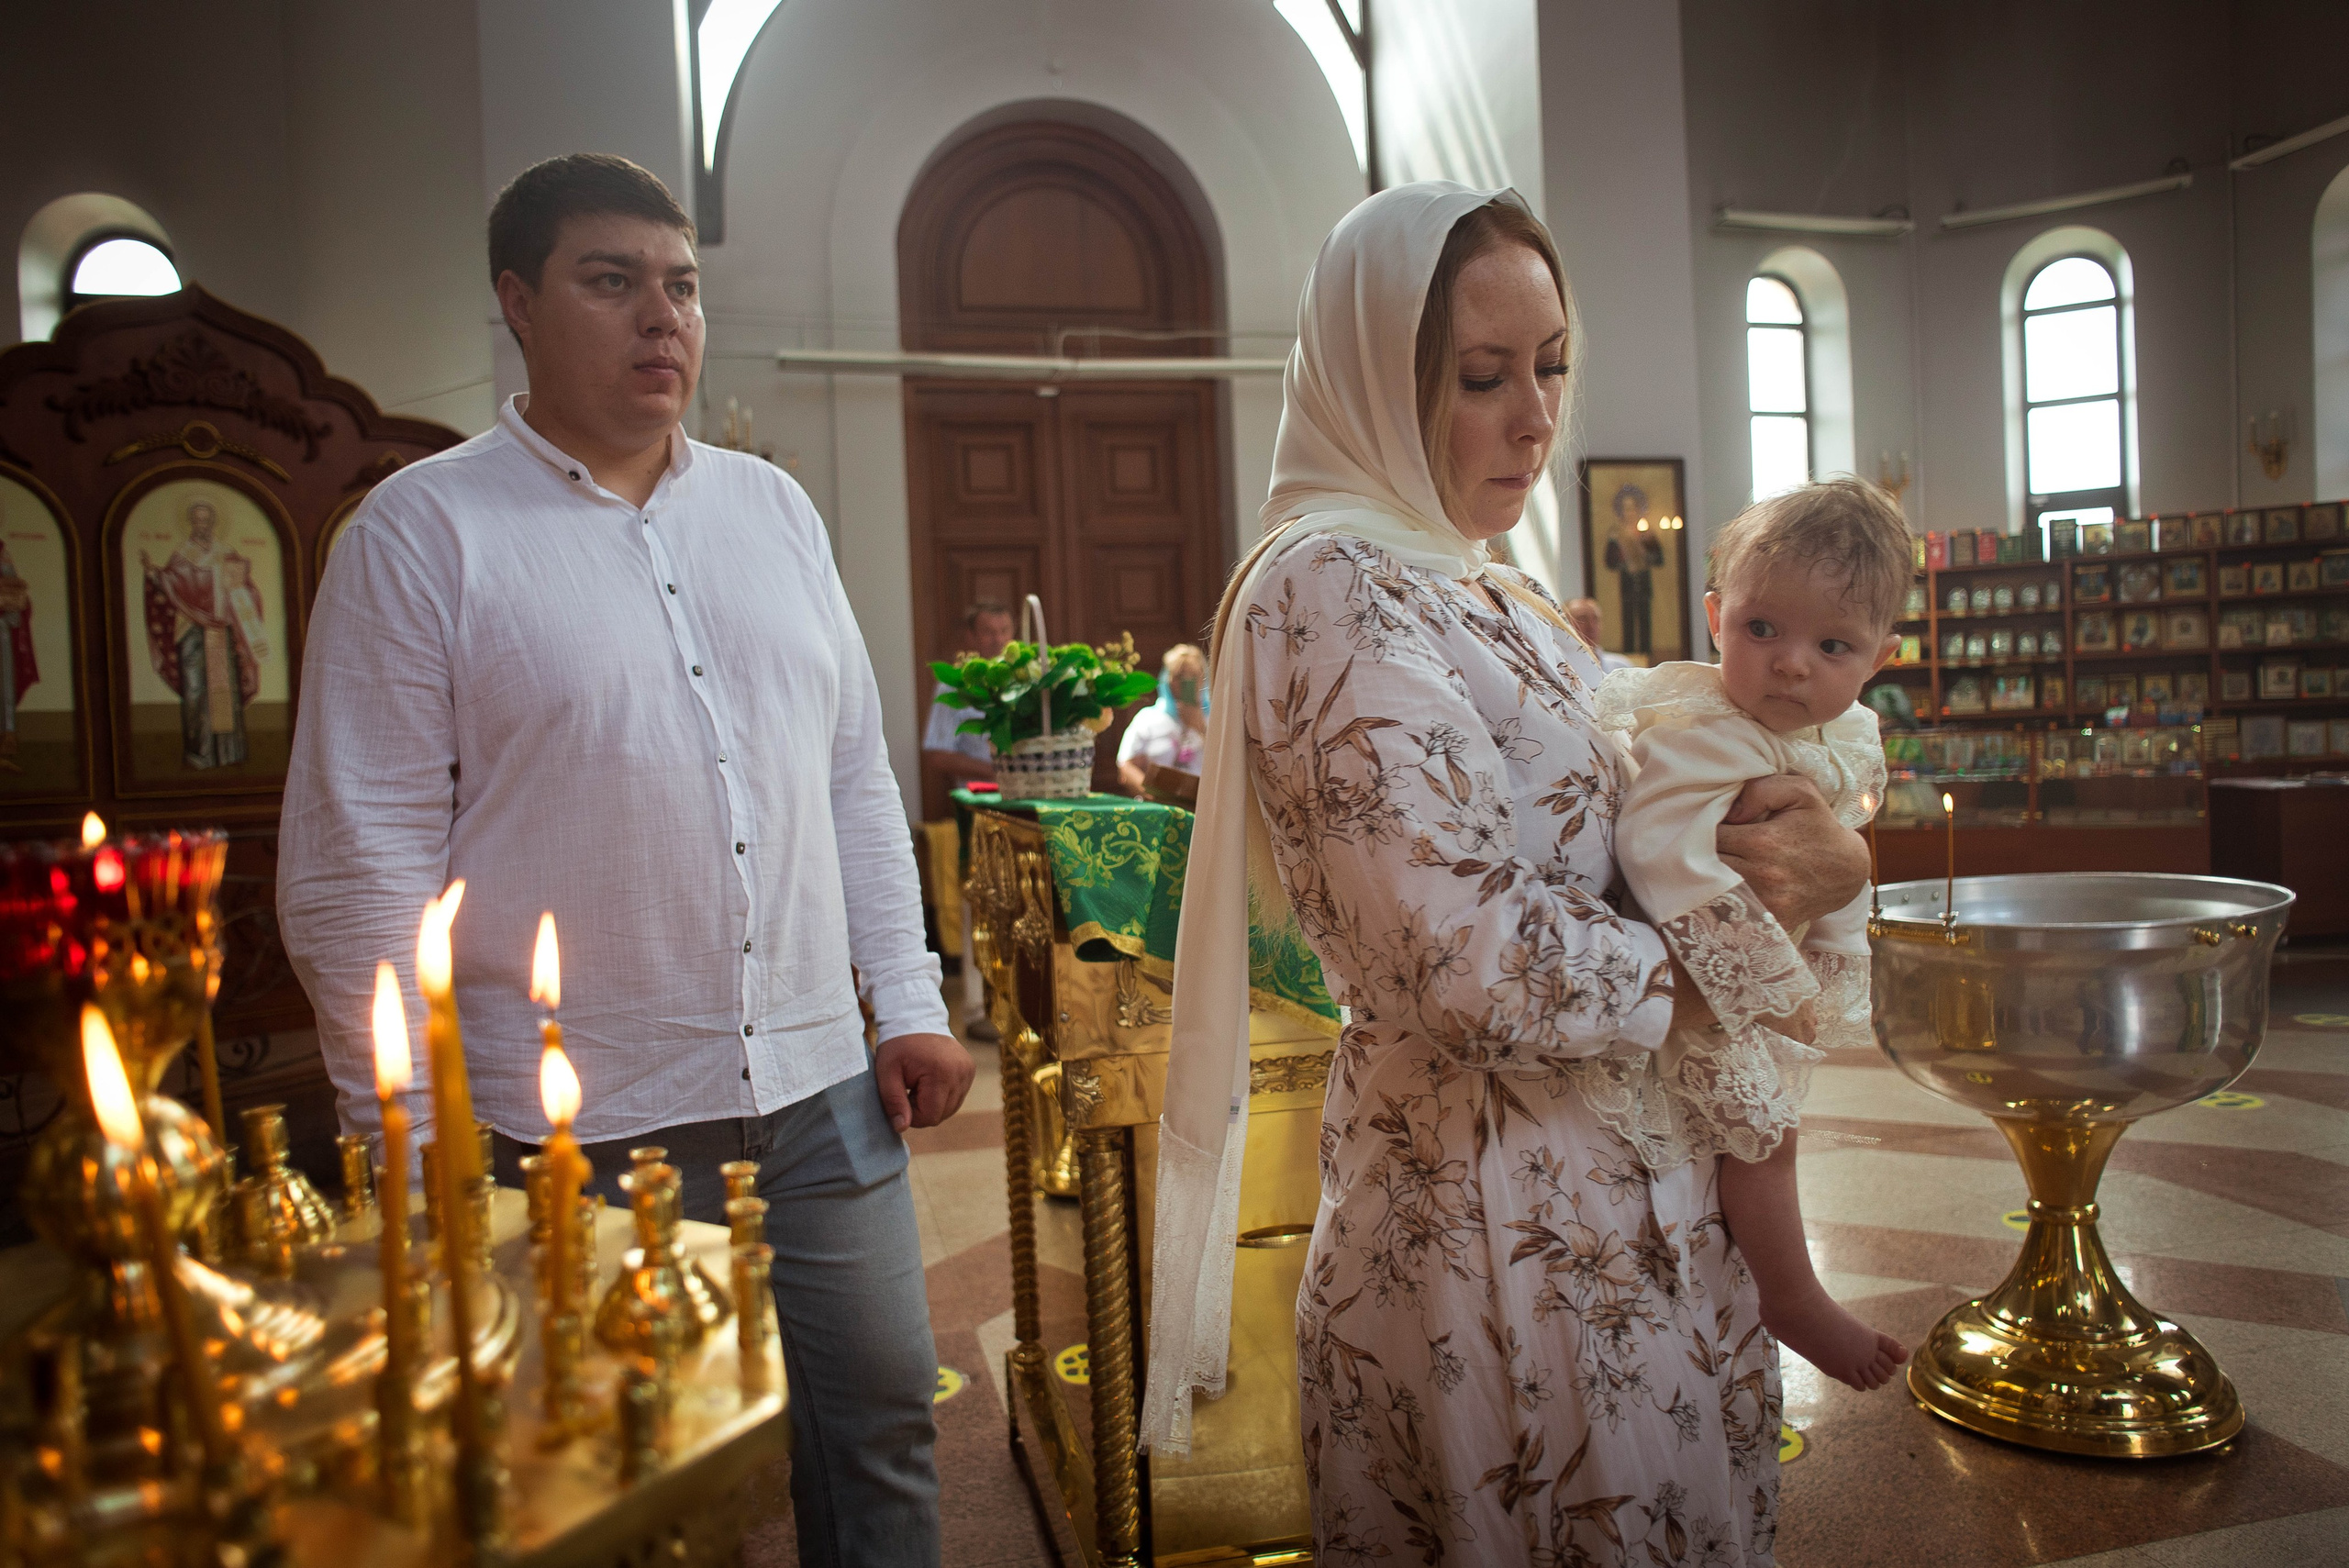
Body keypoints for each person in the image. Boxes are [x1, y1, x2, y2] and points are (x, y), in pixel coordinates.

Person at [1142, 183, 1869, 1565]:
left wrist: (1833, 847)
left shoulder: (1492, 589)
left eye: (1551, 368)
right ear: (1375, 371)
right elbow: (1466, 960)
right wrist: (1738, 956)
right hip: (1498, 1231)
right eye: (1484, 377)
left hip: (1650, 1196)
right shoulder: (1328, 589)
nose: (1536, 416)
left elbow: (1691, 785)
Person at [277, 152, 969, 1568]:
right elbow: (363, 860)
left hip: (818, 1087)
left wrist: (903, 995)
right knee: (627, 1489)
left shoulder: (775, 513)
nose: (664, 319)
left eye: (683, 286)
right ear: (517, 304)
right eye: (613, 283)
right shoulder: (423, 533)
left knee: (883, 1425)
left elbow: (846, 774)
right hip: (573, 1126)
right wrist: (408, 1140)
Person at [1588, 478, 1911, 1392]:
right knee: (1764, 1138)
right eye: (1760, 628)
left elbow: (1835, 851)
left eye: (1831, 643)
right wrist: (1777, 979)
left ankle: (1769, 1288)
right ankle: (1792, 1293)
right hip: (1698, 987)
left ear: (1878, 656)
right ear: (1714, 614)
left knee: (1766, 1132)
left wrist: (1837, 952)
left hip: (1761, 979)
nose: (1789, 664)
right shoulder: (1701, 731)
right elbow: (1659, 851)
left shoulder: (1843, 729)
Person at [141, 500, 264, 769]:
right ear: (191, 523)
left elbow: (248, 591)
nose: (203, 525)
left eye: (207, 520)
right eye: (197, 520)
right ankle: (201, 754)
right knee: (196, 691)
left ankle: (230, 753)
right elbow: (173, 582)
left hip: (223, 634)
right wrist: (156, 576)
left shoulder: (226, 552)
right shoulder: (183, 555)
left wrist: (241, 589)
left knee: (226, 693)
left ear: (213, 523)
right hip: (193, 634)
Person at [921, 599, 1014, 789]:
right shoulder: (954, 686)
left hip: (1032, 797)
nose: (999, 640)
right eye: (989, 632)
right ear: (971, 636)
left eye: (1004, 631)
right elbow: (938, 755)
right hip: (981, 797)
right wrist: (999, 772)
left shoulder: (1027, 680)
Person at [1115, 642, 1207, 792]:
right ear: (1167, 679)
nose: (1185, 683)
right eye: (1179, 676)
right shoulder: (1148, 719)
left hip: (1205, 804)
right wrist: (1151, 793)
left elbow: (1230, 764)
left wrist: (1199, 727)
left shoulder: (1216, 720)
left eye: (1193, 676)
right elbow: (1126, 766)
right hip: (1161, 804)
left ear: (1203, 679)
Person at [1605, 483, 1666, 655]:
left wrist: (1644, 552)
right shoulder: (1615, 534)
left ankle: (1646, 654)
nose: (1629, 513)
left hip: (1644, 584)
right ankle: (1630, 654)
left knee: (1645, 621)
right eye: (1626, 509)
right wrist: (1624, 564)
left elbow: (1659, 559)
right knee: (1628, 621)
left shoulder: (1648, 534)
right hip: (1627, 584)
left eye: (1632, 509)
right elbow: (1609, 562)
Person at [1563, 595, 1633, 672]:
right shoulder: (1561, 668)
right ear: (1565, 625)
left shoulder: (1620, 667)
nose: (1591, 626)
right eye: (1582, 619)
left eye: (1595, 619)